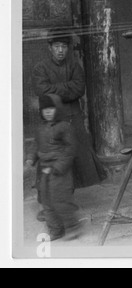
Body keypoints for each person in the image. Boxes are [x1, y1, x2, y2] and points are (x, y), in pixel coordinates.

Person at [33, 29, 107, 197]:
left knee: (73, 158)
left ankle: (66, 198)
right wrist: (67, 88)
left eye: (64, 46)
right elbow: (43, 91)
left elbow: (79, 89)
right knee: (48, 157)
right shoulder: (41, 68)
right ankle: (45, 201)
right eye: (57, 46)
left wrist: (55, 91)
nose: (61, 50)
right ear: (50, 47)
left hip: (73, 118)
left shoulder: (74, 66)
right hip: (50, 120)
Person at [26, 94, 81, 241]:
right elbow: (36, 145)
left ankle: (72, 227)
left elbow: (71, 149)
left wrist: (58, 167)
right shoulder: (40, 128)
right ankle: (56, 230)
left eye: (51, 108)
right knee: (46, 201)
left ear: (57, 109)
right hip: (44, 169)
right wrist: (31, 158)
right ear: (41, 111)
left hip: (59, 170)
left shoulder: (64, 127)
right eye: (45, 109)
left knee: (61, 199)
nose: (48, 112)